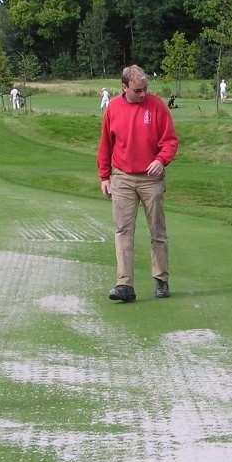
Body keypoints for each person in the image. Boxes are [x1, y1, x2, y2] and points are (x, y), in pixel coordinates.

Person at [97, 65, 179, 302]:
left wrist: (161, 160)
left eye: (145, 89)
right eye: (137, 90)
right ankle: (124, 285)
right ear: (124, 87)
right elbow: (105, 145)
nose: (143, 94)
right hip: (122, 177)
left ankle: (161, 279)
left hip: (151, 178)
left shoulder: (157, 106)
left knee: (157, 231)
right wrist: (104, 176)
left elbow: (170, 141)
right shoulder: (113, 108)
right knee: (123, 230)